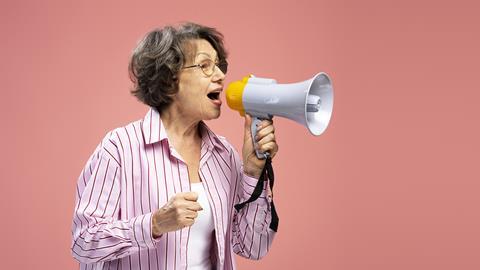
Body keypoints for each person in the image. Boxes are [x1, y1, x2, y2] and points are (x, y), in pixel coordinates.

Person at [71, 22, 279, 270]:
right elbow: (83, 242)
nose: (221, 76)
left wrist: (254, 172)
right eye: (204, 66)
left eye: (220, 66)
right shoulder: (119, 148)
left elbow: (252, 247)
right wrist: (155, 224)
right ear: (169, 79)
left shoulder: (225, 155)